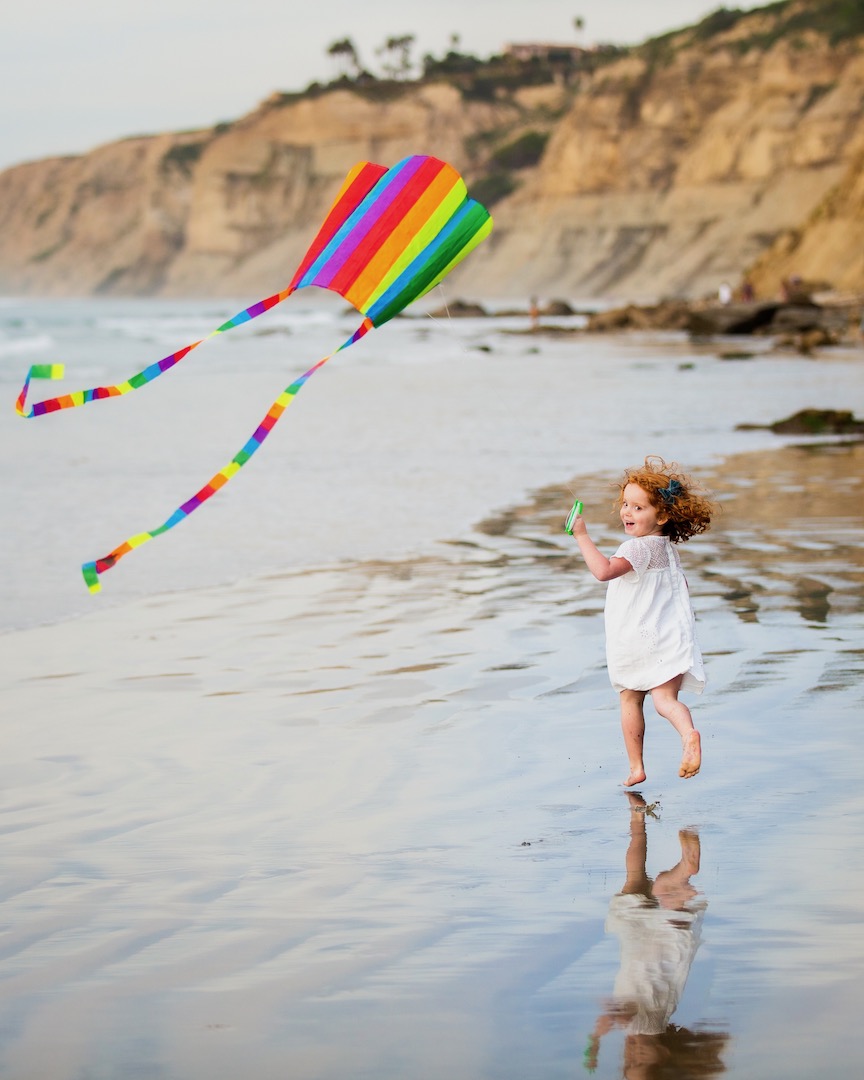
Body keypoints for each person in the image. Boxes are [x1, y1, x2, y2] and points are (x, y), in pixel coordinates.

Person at [568, 457, 716, 786]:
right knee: (666, 701)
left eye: (638, 507)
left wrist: (581, 536)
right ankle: (689, 734)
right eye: (625, 505)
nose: (627, 512)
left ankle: (637, 768)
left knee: (630, 699)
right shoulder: (667, 550)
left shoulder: (637, 549)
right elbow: (681, 591)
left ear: (661, 515)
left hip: (636, 640)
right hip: (667, 638)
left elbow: (603, 572)